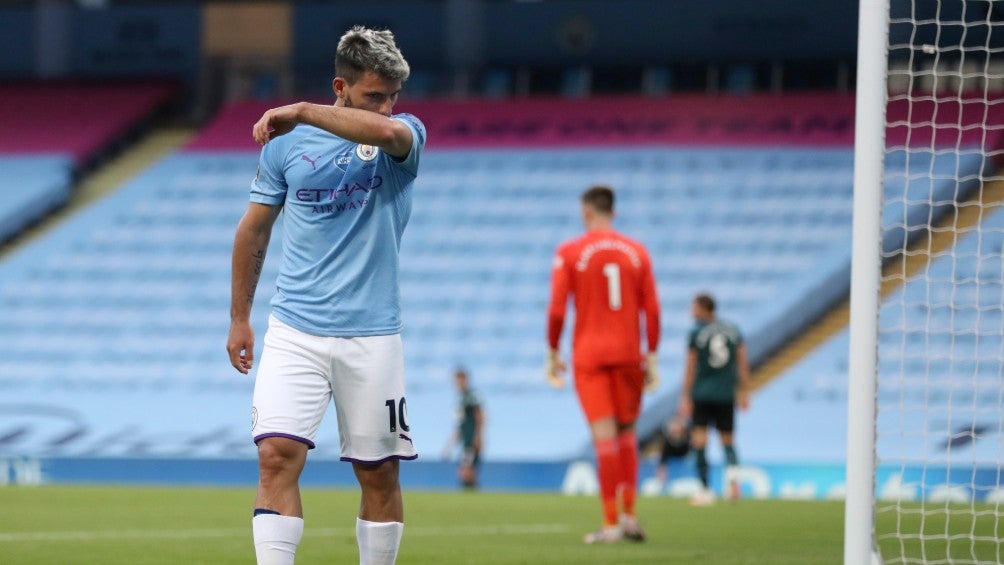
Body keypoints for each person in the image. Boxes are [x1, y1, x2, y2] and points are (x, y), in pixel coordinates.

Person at [225, 26, 425, 565]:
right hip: (296, 330)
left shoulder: (403, 135)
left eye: (392, 96)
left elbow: (386, 135)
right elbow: (254, 230)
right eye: (373, 96)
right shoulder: (285, 146)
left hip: (373, 334)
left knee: (378, 473)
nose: (387, 108)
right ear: (342, 85)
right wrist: (240, 317)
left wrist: (304, 109)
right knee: (275, 457)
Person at [546, 185, 661, 544]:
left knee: (605, 439)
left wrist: (552, 352)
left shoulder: (570, 251)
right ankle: (630, 517)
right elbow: (653, 310)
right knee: (628, 434)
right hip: (630, 353)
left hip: (591, 356)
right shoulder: (638, 252)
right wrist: (652, 354)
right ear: (613, 211)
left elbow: (556, 309)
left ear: (586, 212)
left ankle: (610, 524)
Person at [677, 293, 750, 506]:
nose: (692, 311)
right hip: (726, 394)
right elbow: (742, 363)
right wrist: (745, 392)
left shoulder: (697, 333)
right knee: (728, 441)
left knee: (700, 440)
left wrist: (685, 397)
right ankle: (733, 486)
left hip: (703, 393)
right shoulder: (733, 330)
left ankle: (705, 489)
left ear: (704, 308)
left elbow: (690, 367)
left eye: (694, 307)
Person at [441, 367, 484, 489]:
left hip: (471, 440)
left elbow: (480, 417)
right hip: (466, 441)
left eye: (459, 380)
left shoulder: (472, 397)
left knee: (467, 470)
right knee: (465, 470)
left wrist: (478, 437)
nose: (457, 384)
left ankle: (472, 494)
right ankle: (471, 494)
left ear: (465, 380)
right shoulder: (460, 399)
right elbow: (460, 426)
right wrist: (449, 445)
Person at [654, 411, 691, 487]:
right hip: (671, 472)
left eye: (678, 427)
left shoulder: (688, 441)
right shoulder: (667, 443)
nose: (676, 429)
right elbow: (663, 459)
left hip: (686, 470)